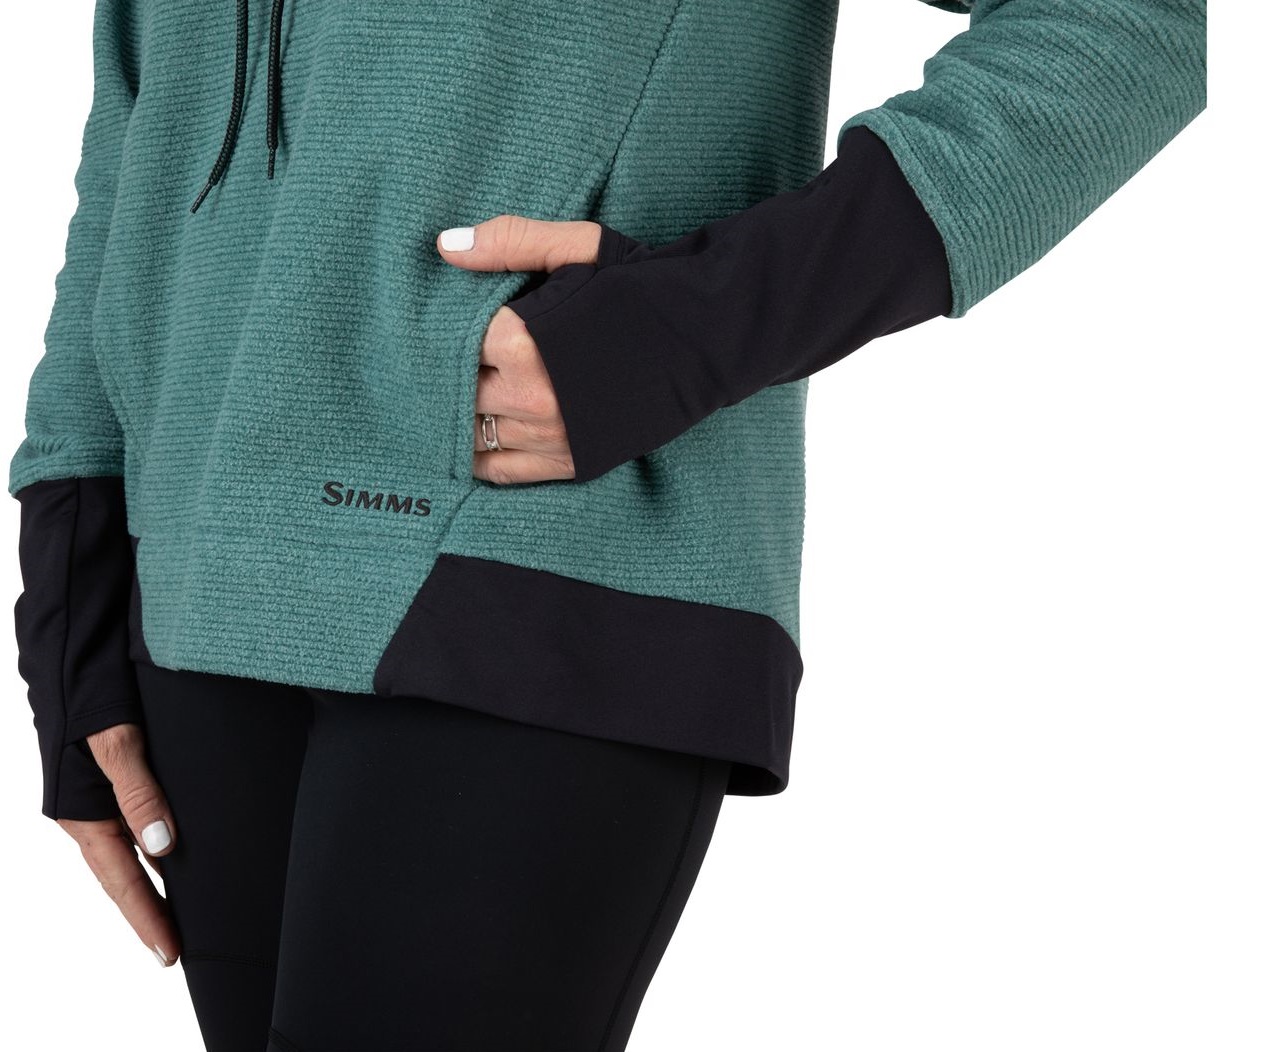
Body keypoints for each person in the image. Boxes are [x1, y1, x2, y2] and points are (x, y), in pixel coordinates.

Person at [7, 0, 1206, 1049]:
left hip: (534, 556)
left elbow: (1125, 22)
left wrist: (690, 324)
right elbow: (137, 127)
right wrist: (71, 575)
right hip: (198, 582)